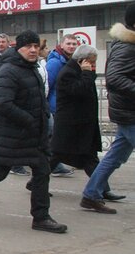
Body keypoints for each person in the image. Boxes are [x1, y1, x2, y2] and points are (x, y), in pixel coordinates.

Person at [0, 30, 67, 234]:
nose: (33, 50)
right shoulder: (9, 70)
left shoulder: (32, 68)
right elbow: (3, 104)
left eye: (36, 46)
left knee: (42, 171)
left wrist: (42, 120)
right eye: (28, 46)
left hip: (33, 134)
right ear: (19, 48)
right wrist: (29, 120)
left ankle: (41, 217)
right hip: (12, 134)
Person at [48, 44, 122, 213]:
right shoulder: (68, 73)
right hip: (71, 125)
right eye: (92, 62)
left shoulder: (78, 71)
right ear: (83, 60)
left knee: (88, 158)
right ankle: (98, 192)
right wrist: (87, 73)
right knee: (59, 154)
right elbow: (79, 91)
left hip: (82, 124)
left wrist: (88, 73)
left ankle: (102, 189)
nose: (93, 65)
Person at [81, 5, 135, 211]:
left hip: (128, 111)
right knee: (115, 156)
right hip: (129, 112)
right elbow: (114, 78)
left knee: (114, 156)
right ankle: (91, 194)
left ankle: (91, 194)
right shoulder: (126, 47)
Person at [45, 33, 80, 177]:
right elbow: (47, 84)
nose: (71, 46)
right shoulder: (55, 62)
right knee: (54, 137)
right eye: (68, 44)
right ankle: (54, 166)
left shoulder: (71, 60)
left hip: (65, 105)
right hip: (55, 106)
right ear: (61, 45)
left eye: (74, 44)